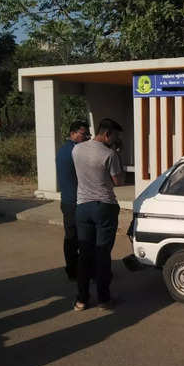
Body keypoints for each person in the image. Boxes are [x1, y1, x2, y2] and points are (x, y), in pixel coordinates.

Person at [72, 118, 124, 311]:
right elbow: (118, 181)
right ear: (107, 134)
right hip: (104, 207)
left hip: (82, 207)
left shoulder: (76, 149)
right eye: (115, 136)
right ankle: (104, 299)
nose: (116, 139)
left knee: (85, 254)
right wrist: (118, 155)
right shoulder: (110, 154)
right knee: (102, 254)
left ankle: (81, 300)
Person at [55, 120, 89, 281]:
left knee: (71, 237)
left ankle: (72, 270)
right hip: (75, 202)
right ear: (73, 133)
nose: (86, 137)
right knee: (80, 238)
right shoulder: (75, 151)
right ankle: (82, 271)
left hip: (68, 201)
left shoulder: (63, 150)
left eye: (87, 134)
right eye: (83, 134)